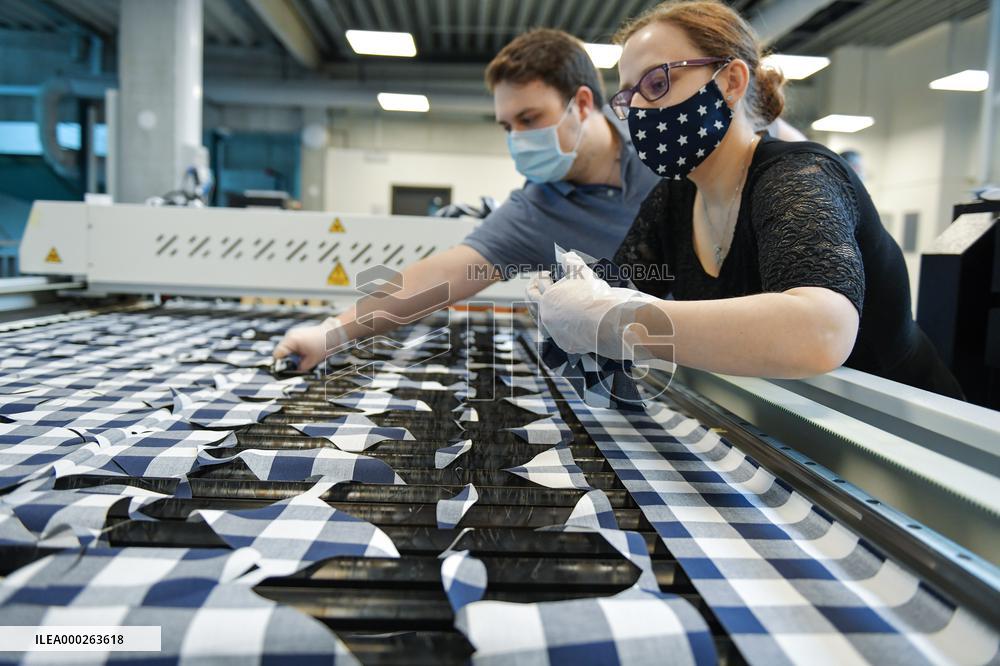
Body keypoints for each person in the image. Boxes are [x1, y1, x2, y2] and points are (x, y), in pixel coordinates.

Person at [527, 0, 964, 398]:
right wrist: (574, 295)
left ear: (731, 81)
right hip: (789, 415)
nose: (639, 109)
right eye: (628, 97)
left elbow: (821, 333)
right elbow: (620, 288)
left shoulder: (796, 177)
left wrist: (625, 320)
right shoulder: (675, 199)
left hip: (903, 426)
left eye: (657, 83)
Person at [273, 29, 661, 370]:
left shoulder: (659, 137)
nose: (518, 139)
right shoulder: (537, 211)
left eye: (529, 118)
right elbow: (443, 274)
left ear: (579, 103)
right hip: (657, 366)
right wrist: (331, 334)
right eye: (507, 126)